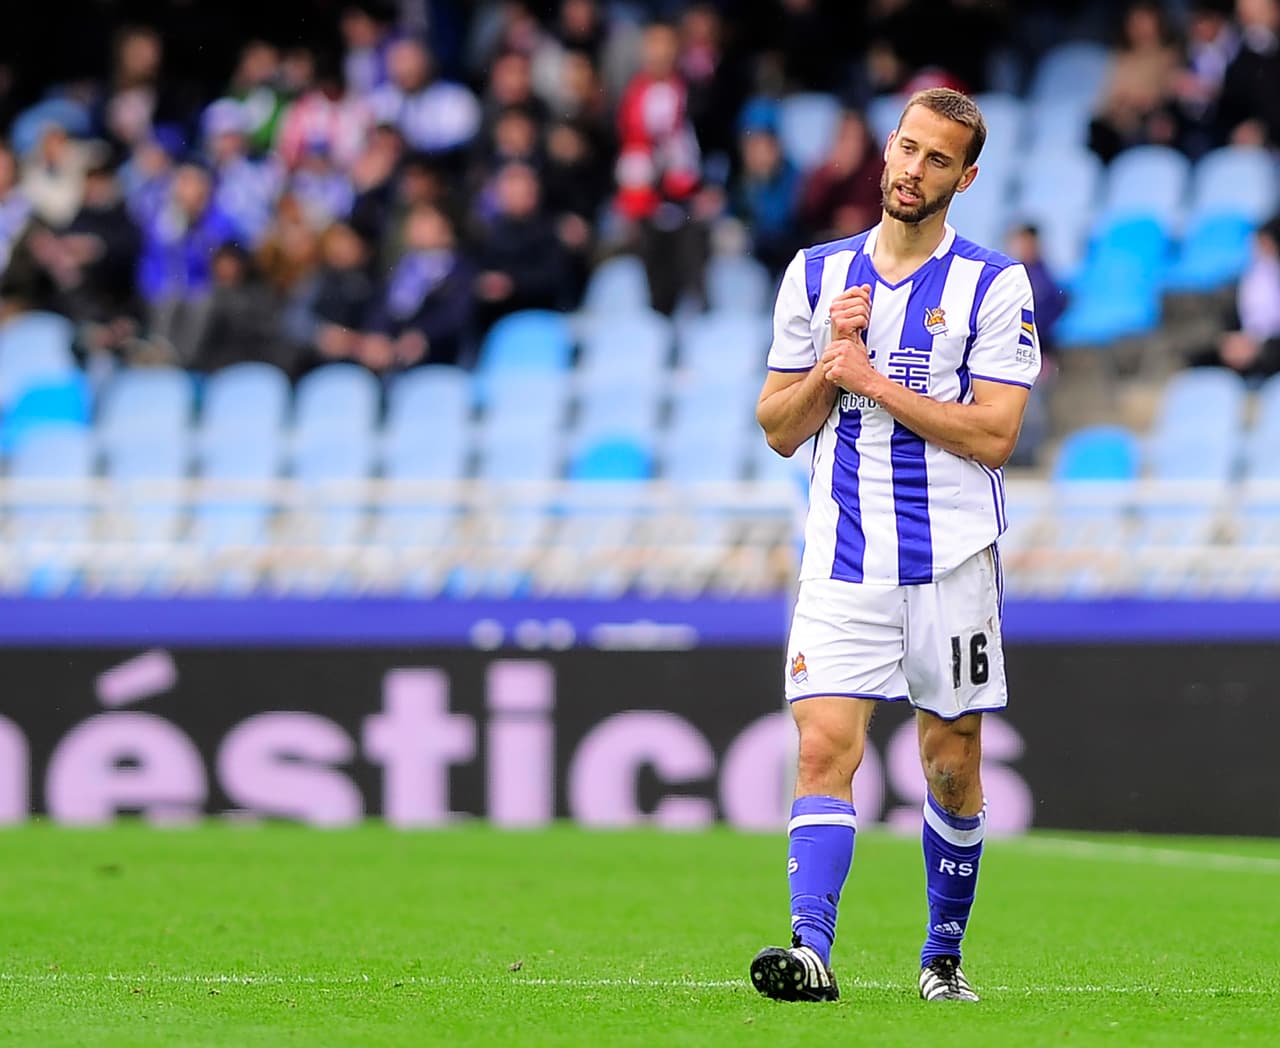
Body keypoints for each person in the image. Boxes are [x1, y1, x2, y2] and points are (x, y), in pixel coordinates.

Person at [750, 88, 1041, 1005]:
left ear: (966, 177)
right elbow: (776, 425)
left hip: (952, 560)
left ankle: (942, 957)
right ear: (887, 150)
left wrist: (869, 376)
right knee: (822, 748)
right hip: (844, 553)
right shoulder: (814, 274)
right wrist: (832, 375)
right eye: (907, 149)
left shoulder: (994, 285)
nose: (915, 170)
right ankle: (811, 950)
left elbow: (996, 436)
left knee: (951, 763)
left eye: (938, 160)